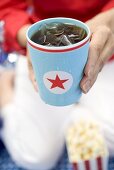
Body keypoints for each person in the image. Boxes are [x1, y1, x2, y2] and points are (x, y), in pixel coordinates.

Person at [0, 0, 114, 170]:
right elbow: (7, 7)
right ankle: (5, 87)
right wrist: (27, 37)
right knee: (35, 157)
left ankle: (75, 112)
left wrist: (110, 21)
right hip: (41, 54)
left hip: (106, 48)